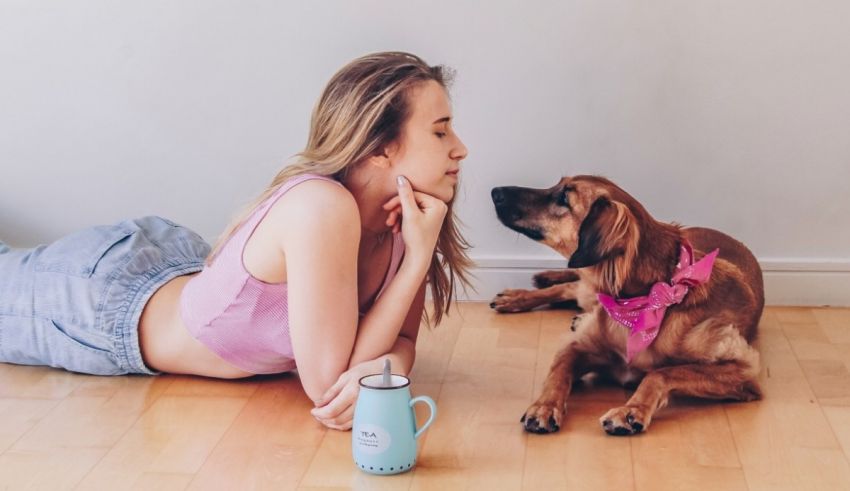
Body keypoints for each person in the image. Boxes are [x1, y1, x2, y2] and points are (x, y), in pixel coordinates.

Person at [0, 51, 471, 430]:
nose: (460, 148)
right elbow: (329, 384)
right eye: (440, 131)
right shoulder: (322, 206)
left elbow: (402, 340)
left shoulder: (408, 222)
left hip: (176, 263)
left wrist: (392, 364)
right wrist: (415, 268)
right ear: (381, 147)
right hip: (104, 304)